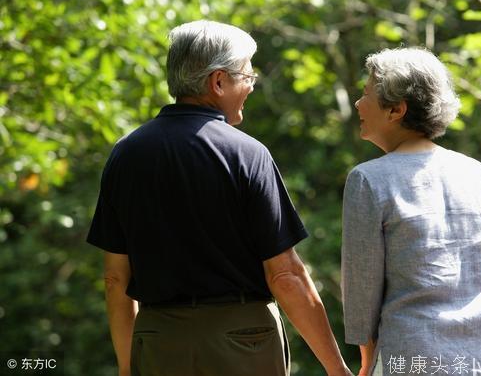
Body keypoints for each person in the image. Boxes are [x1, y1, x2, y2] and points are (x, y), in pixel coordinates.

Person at [87, 20, 351, 376]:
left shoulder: (125, 155)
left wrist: (127, 366)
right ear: (218, 81)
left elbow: (116, 280)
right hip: (244, 341)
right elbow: (285, 274)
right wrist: (337, 369)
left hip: (158, 342)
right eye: (248, 76)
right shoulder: (247, 154)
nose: (251, 86)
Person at [341, 47, 481, 376]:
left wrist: (368, 360)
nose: (358, 103)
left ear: (396, 109)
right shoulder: (476, 172)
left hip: (414, 360)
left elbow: (361, 289)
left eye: (366, 93)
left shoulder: (368, 180)